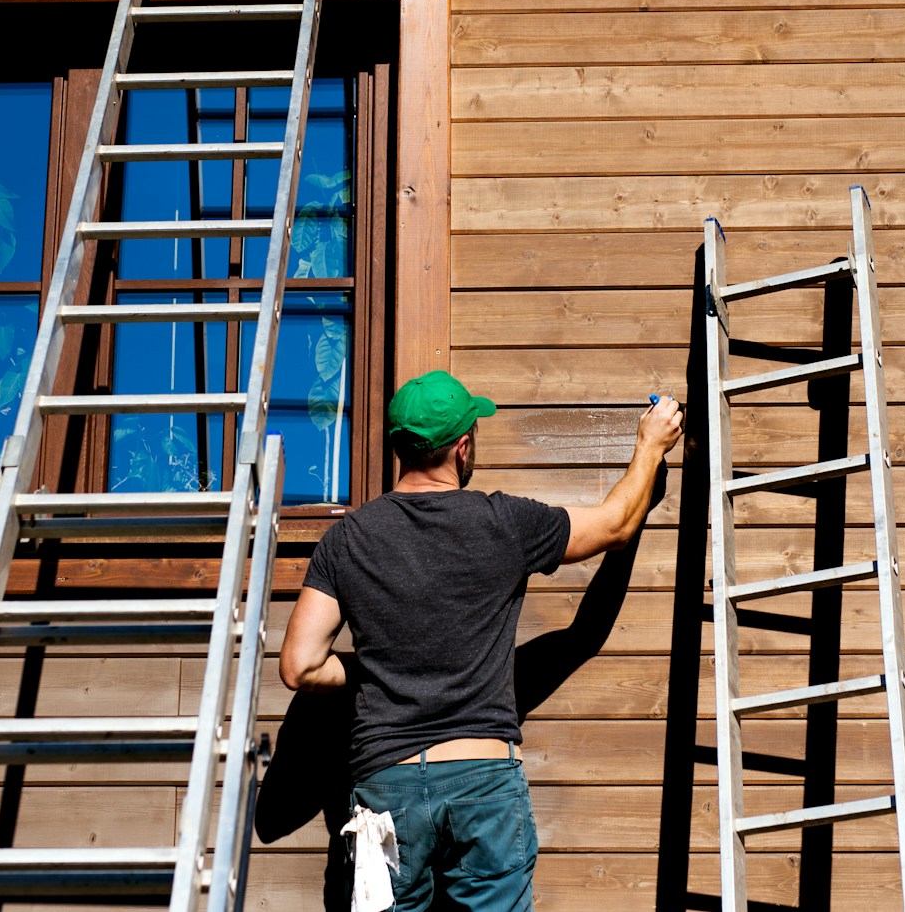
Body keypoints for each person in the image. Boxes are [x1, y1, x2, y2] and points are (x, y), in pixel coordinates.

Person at [279, 369, 685, 911]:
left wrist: (376, 670)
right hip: (482, 779)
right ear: (462, 447)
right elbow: (614, 525)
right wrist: (649, 447)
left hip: (387, 789)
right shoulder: (504, 522)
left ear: (400, 447)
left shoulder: (347, 538)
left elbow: (301, 667)